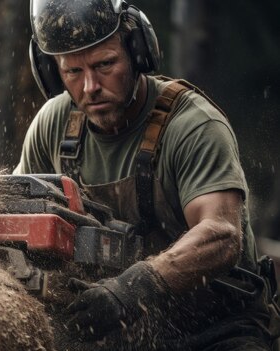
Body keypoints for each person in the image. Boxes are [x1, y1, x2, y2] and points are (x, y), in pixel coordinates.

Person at [15, 0, 278, 349]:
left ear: (138, 52)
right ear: (51, 71)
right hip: (116, 333)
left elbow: (221, 236)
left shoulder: (192, 126)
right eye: (72, 72)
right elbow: (16, 213)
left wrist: (133, 288)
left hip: (220, 329)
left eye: (105, 64)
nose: (90, 86)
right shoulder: (55, 125)